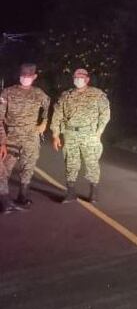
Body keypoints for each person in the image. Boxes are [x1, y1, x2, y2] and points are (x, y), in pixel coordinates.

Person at [51, 68, 110, 203]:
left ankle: (93, 193)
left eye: (81, 77)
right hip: (70, 134)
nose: (78, 79)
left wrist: (99, 132)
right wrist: (55, 134)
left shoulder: (97, 95)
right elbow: (57, 115)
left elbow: (105, 114)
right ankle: (70, 192)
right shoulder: (66, 95)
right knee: (70, 163)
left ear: (87, 79)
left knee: (92, 163)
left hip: (89, 134)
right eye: (76, 77)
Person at [0, 63, 50, 213]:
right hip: (12, 137)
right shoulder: (7, 93)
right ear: (19, 75)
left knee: (28, 167)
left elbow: (47, 104)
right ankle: (4, 201)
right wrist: (2, 141)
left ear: (34, 77)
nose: (25, 78)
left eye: (28, 76)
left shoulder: (38, 93)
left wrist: (44, 121)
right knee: (4, 169)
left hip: (31, 137)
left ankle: (23, 195)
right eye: (23, 75)